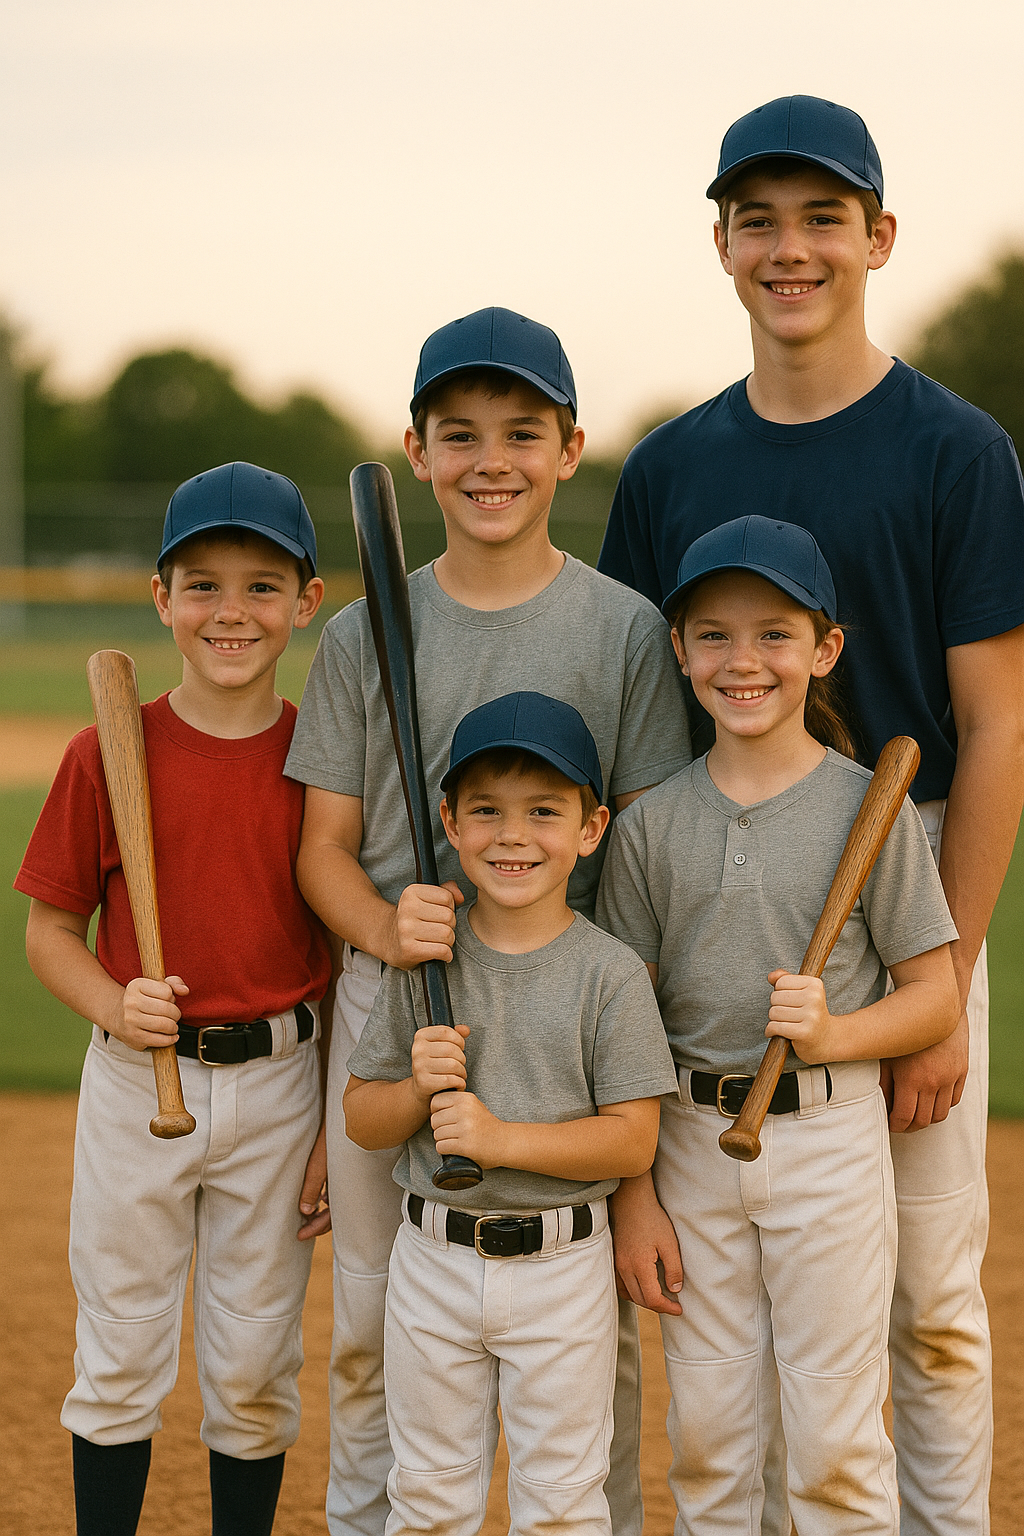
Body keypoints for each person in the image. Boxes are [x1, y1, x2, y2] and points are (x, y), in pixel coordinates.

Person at [598, 95, 1024, 1533]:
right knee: (738, 1326)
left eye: (822, 217)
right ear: (721, 243)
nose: (791, 250)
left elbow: (999, 725)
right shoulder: (666, 468)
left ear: (879, 237)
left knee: (928, 1302)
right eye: (760, 219)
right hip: (720, 889)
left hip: (907, 878)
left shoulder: (956, 449)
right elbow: (655, 743)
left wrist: (946, 988)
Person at [285, 306, 691, 1536]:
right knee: (373, 1326)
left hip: (576, 1000)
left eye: (523, 432)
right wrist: (388, 934)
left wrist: (632, 1182)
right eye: (458, 435)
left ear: (571, 449)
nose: (491, 460)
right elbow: (325, 854)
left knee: (592, 1353)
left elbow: (637, 876)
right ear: (415, 452)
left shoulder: (622, 626)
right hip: (402, 999)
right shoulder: (367, 631)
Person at [598, 517, 961, 1533]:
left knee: (835, 1445)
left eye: (772, 634)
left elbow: (933, 996)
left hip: (827, 1143)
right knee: (710, 1445)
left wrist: (835, 1032)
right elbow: (625, 1022)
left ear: (824, 649)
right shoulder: (651, 823)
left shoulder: (864, 809)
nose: (740, 660)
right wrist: (635, 1198)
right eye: (711, 635)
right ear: (678, 652)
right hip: (688, 1145)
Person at [14, 462, 331, 1536]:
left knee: (254, 1369)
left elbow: (347, 959)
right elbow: (50, 934)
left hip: (284, 1084)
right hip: (134, 1082)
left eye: (259, 586)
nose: (229, 611)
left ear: (306, 601)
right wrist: (112, 1003)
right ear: (160, 599)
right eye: (201, 584)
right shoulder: (106, 751)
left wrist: (335, 1123)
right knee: (119, 1356)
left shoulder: (323, 761)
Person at [344, 691, 680, 1536]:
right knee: (424, 1497)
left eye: (544, 811)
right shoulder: (426, 963)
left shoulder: (607, 974)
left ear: (592, 828)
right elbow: (360, 1117)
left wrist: (500, 1139)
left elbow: (635, 1139)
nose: (514, 835)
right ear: (450, 825)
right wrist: (415, 1092)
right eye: (486, 811)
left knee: (561, 1507)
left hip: (562, 1269)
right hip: (433, 1259)